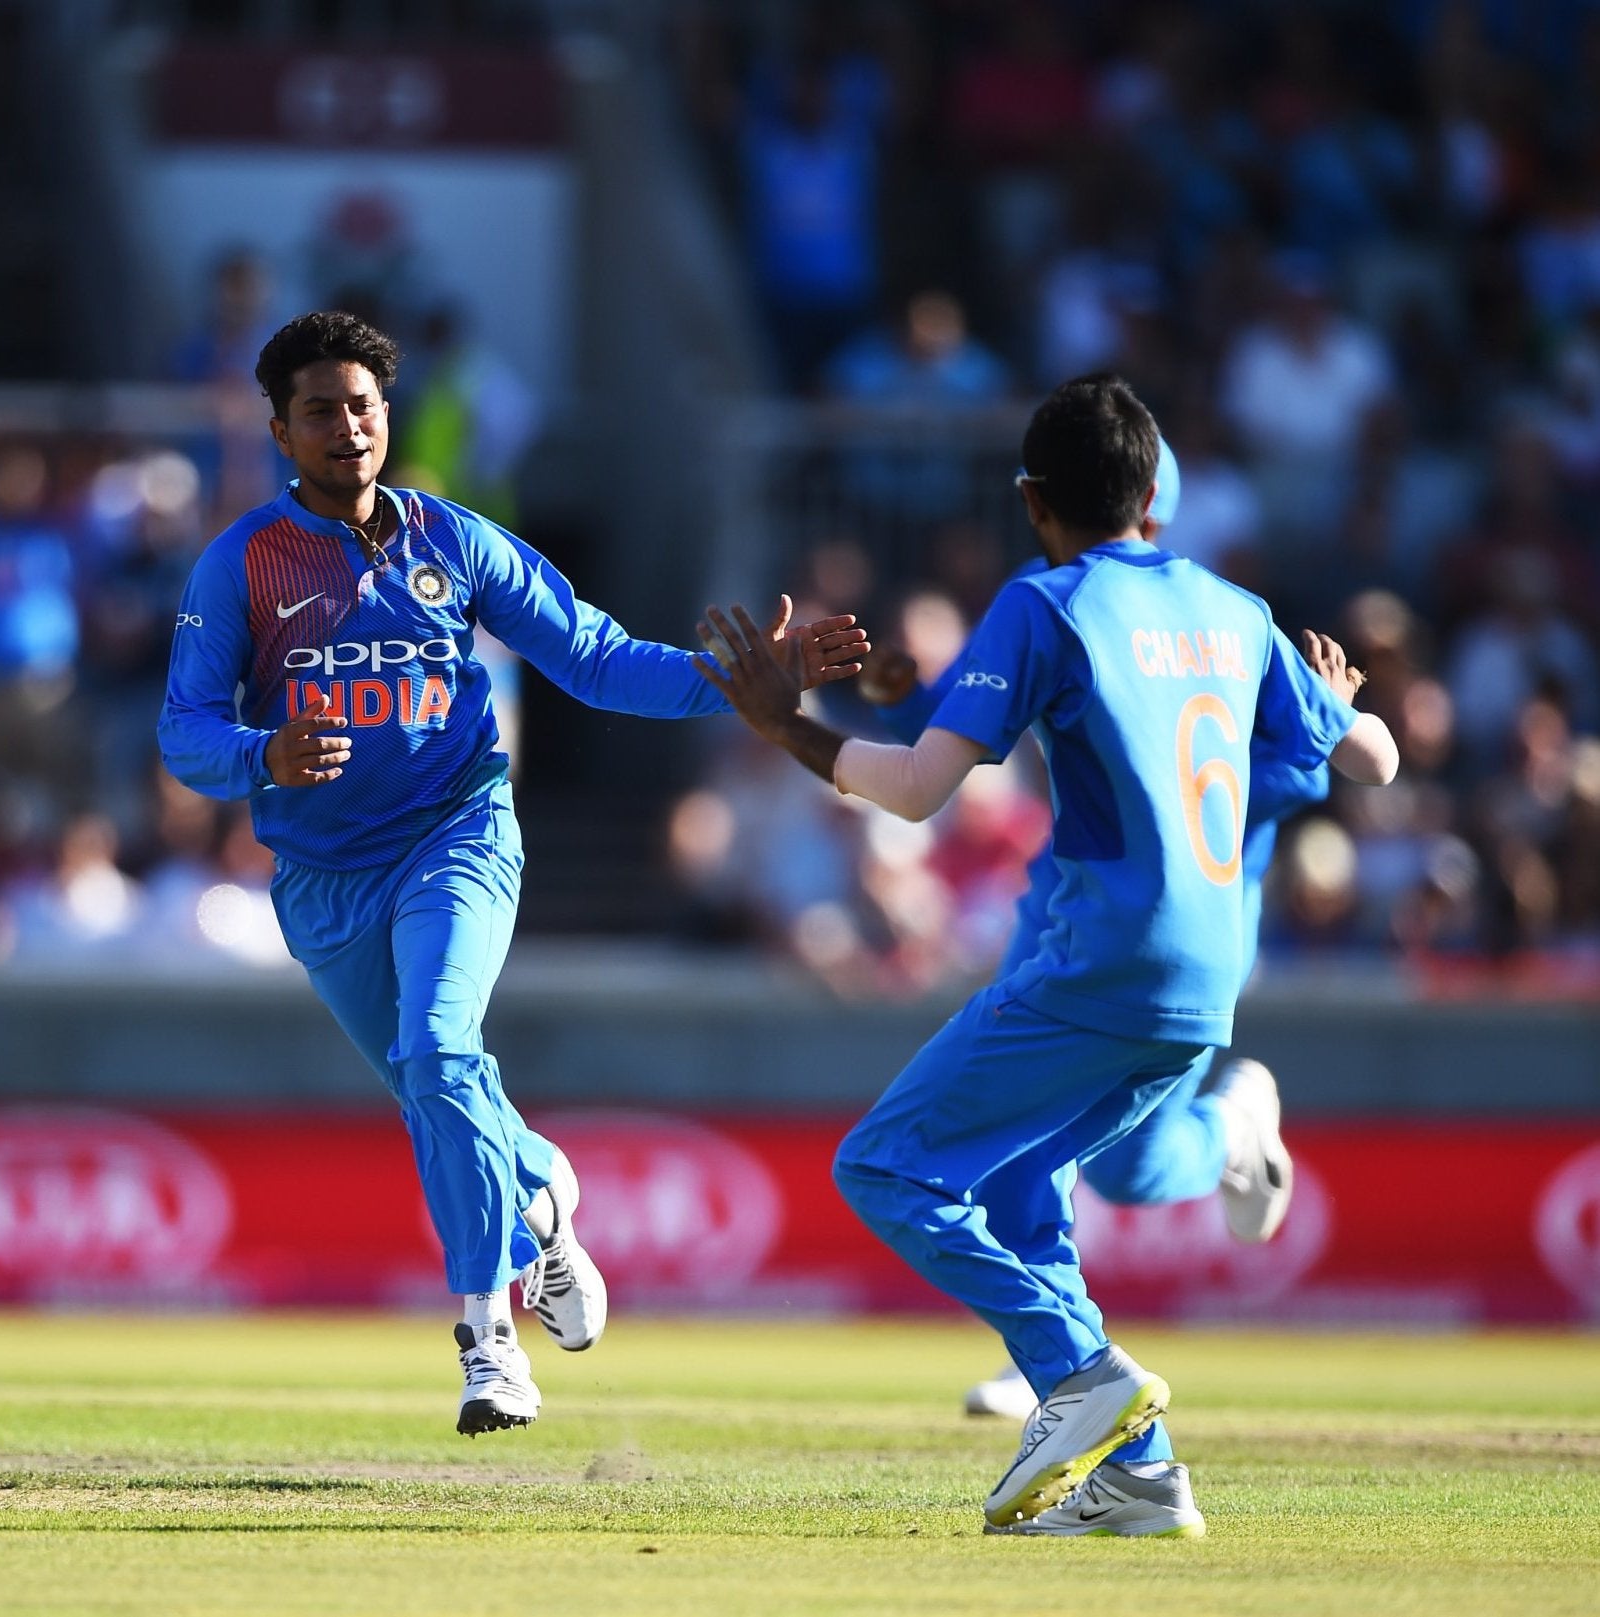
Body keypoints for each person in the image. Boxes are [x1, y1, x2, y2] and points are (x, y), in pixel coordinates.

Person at [696, 374, 1397, 1537]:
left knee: (885, 1168)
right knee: (1024, 1180)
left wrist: (785, 726)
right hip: (1209, 978)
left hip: (1098, 963)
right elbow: (1366, 760)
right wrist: (1335, 703)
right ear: (1148, 494)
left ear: (1033, 500)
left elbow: (917, 789)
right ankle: (1142, 1480)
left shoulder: (1045, 602)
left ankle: (1079, 1374)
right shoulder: (1230, 607)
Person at [159, 310, 866, 1435]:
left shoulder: (458, 541)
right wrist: (263, 754)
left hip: (457, 832)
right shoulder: (241, 562)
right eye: (318, 413)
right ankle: (541, 1192)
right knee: (435, 1092)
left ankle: (488, 1347)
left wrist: (737, 678)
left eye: (361, 406)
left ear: (385, 415)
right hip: (322, 876)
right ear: (280, 434)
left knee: (439, 1051)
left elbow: (592, 658)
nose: (345, 427)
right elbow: (183, 733)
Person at [837, 439, 1364, 1423]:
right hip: (1078, 893)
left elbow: (1299, 770)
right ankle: (1060, 1360)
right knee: (1071, 1156)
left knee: (1087, 1159)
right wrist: (906, 697)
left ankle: (1081, 1340)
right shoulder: (1170, 606)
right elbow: (984, 716)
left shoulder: (1150, 607)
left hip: (1173, 913)